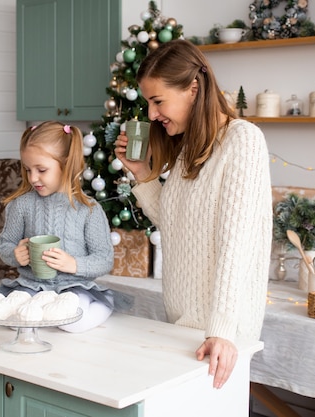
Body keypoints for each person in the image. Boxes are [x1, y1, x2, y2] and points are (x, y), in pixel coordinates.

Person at [114, 40, 272, 389]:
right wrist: (142, 173)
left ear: (193, 88)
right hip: (182, 326)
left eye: (158, 101)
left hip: (220, 336)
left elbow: (236, 247)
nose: (152, 114)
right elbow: (175, 225)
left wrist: (221, 331)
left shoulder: (242, 141)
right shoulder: (189, 149)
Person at [0, 121, 115, 332]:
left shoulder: (89, 209)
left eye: (41, 169)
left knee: (74, 324)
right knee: (17, 324)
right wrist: (15, 255)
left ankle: (103, 306)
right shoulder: (21, 205)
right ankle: (45, 313)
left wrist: (73, 264)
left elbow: (104, 260)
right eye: (27, 169)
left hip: (75, 289)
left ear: (67, 164)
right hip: (33, 286)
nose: (32, 178)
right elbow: (4, 245)